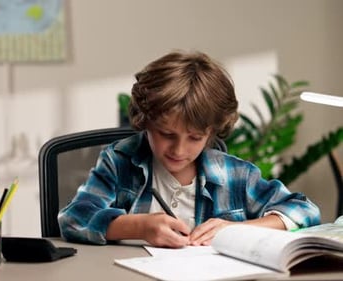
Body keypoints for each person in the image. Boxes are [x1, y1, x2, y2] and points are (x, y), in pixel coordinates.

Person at [57, 50, 320, 248]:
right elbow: (74, 217)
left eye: (195, 137)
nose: (179, 149)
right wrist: (137, 226)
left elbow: (305, 211)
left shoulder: (234, 174)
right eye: (166, 134)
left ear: (212, 132)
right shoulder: (120, 162)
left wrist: (237, 229)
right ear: (145, 120)